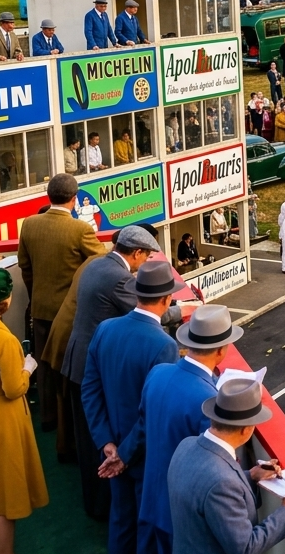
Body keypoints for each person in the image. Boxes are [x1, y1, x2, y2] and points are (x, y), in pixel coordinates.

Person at [59, 226, 166, 520]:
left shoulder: (96, 265)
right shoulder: (119, 277)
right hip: (92, 364)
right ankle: (102, 509)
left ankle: (96, 505)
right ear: (136, 253)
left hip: (77, 358)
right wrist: (182, 310)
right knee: (100, 447)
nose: (144, 265)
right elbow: (147, 309)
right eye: (146, 257)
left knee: (86, 439)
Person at [82, 260, 184, 554]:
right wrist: (124, 454)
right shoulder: (164, 345)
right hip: (144, 458)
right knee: (146, 532)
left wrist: (107, 443)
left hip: (111, 449)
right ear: (166, 300)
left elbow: (90, 390)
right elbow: (153, 411)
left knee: (121, 523)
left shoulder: (105, 329)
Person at [136, 306, 242, 554]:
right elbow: (217, 464)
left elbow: (142, 425)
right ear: (221, 350)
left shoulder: (158, 373)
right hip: (181, 518)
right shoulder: (209, 399)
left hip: (150, 501)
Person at [167, 379, 285, 554]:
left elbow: (205, 489)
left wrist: (250, 475)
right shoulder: (222, 483)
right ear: (246, 429)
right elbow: (246, 547)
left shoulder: (186, 445)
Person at [17, 174, 106, 439]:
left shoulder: (30, 225)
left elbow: (25, 266)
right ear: (74, 198)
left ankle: (47, 418)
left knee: (44, 365)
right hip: (70, 315)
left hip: (40, 309)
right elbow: (101, 262)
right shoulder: (80, 230)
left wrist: (36, 296)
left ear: (49, 196)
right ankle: (70, 430)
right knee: (70, 370)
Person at [0, 268, 48, 553]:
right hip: (5, 424)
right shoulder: (5, 341)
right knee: (7, 503)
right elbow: (13, 388)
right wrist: (28, 370)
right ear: (5, 301)